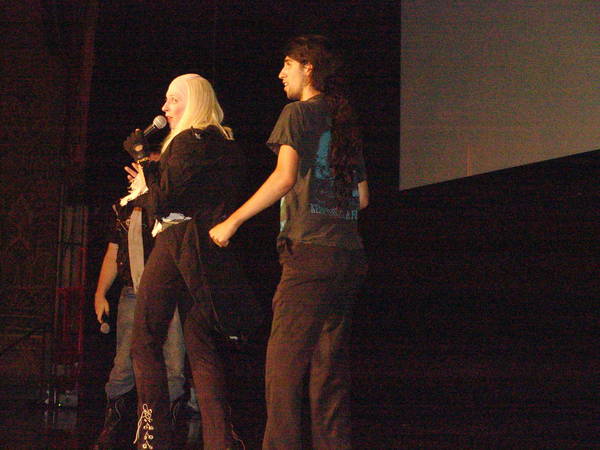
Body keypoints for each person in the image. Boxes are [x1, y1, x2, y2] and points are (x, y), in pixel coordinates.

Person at [209, 35, 369, 449]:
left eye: (287, 65)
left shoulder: (297, 113)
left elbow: (283, 178)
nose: (281, 73)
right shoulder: (343, 121)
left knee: (283, 368)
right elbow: (363, 198)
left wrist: (232, 221)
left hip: (309, 255)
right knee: (328, 374)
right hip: (347, 255)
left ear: (308, 67)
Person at [123, 73, 257, 449]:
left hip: (177, 240)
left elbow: (163, 200)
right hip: (206, 250)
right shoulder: (225, 144)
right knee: (200, 346)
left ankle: (153, 435)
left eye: (174, 99)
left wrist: (141, 159)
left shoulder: (186, 141)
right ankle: (220, 440)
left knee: (145, 338)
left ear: (194, 101)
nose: (165, 107)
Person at [92, 151, 188, 449]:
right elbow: (113, 251)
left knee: (174, 367)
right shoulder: (124, 208)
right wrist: (100, 292)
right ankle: (112, 430)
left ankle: (165, 433)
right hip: (133, 291)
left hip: (169, 294)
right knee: (124, 364)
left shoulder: (171, 207)